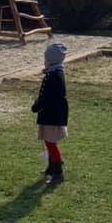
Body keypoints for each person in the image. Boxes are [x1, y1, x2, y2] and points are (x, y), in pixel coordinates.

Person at [32, 42, 69, 186]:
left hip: (53, 115)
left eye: (46, 59)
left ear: (52, 60)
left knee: (51, 143)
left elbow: (50, 97)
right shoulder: (53, 72)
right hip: (50, 113)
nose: (44, 61)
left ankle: (58, 173)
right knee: (48, 141)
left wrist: (37, 105)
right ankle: (52, 167)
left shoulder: (55, 75)